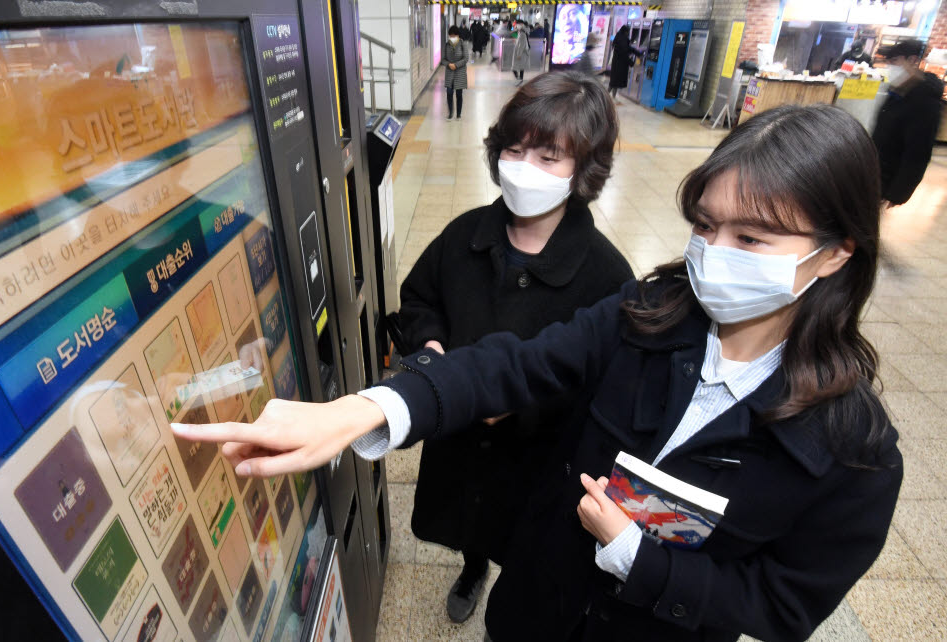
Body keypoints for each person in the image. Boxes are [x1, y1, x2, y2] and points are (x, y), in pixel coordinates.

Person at [172, 104, 903, 641]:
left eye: (752, 237)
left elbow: (782, 607)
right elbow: (512, 364)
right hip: (532, 608)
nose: (714, 252)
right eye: (705, 226)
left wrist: (640, 559)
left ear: (837, 252)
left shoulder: (851, 453)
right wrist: (369, 408)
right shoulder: (645, 313)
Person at [396, 71, 633, 623]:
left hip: (541, 454)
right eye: (515, 149)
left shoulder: (606, 274)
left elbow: (607, 379)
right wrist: (430, 347)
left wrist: (525, 402)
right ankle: (473, 565)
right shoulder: (465, 234)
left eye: (549, 157)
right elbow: (419, 297)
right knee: (470, 522)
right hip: (458, 435)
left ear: (583, 171)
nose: (525, 168)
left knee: (530, 536)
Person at [872, 38, 944, 206]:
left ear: (912, 60)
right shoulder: (899, 90)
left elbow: (918, 154)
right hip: (874, 174)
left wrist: (897, 194)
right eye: (888, 62)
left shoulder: (925, 101)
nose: (890, 67)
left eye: (895, 61)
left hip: (887, 182)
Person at [609, 25, 642, 102]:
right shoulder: (622, 39)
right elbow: (624, 53)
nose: (629, 33)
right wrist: (631, 63)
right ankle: (608, 96)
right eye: (628, 31)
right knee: (614, 82)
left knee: (614, 82)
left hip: (617, 64)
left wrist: (637, 53)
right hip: (619, 65)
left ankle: (611, 97)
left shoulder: (620, 37)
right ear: (626, 31)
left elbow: (628, 48)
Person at [443, 26, 467, 121]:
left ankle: (458, 114)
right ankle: (450, 113)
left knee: (459, 94)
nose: (452, 37)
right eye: (450, 36)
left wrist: (456, 65)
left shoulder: (462, 44)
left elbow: (466, 58)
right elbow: (443, 59)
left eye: (453, 36)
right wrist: (449, 64)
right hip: (449, 73)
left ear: (457, 35)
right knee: (449, 92)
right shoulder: (447, 45)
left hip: (460, 72)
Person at [512, 20, 530, 85]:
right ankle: (520, 79)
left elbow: (522, 45)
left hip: (521, 53)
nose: (516, 26)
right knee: (521, 67)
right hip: (520, 52)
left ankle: (519, 79)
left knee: (514, 68)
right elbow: (520, 42)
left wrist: (519, 54)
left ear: (521, 24)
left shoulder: (522, 34)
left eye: (517, 24)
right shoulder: (521, 32)